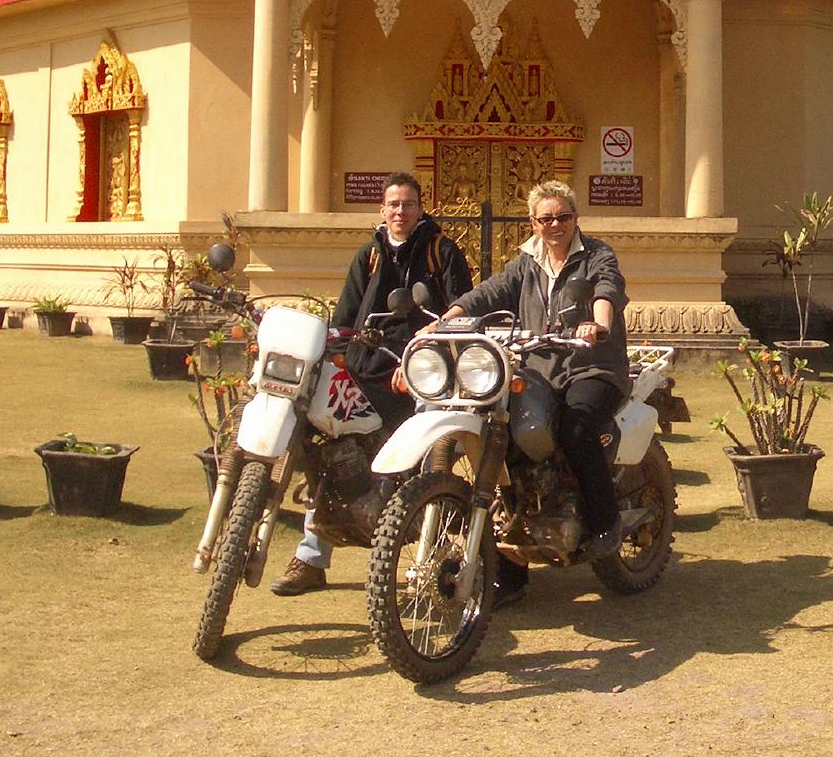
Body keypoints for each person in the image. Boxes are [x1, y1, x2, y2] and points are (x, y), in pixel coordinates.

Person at [269, 172, 472, 597]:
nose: (401, 212)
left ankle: (430, 558)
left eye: (409, 204)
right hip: (365, 370)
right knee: (335, 455)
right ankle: (310, 558)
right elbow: (345, 317)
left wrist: (420, 357)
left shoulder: (442, 251)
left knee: (425, 463)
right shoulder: (369, 255)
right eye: (393, 204)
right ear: (382, 209)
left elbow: (461, 314)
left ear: (421, 208)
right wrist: (335, 358)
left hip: (420, 374)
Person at [434, 179, 629, 609]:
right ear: (533, 222)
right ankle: (510, 573)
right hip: (540, 370)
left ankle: (605, 522)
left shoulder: (596, 254)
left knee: (576, 429)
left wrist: (598, 324)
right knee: (503, 437)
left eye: (563, 216)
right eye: (546, 218)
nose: (555, 225)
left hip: (592, 366)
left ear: (575, 218)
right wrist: (445, 320)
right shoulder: (526, 263)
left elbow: (607, 288)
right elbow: (489, 292)